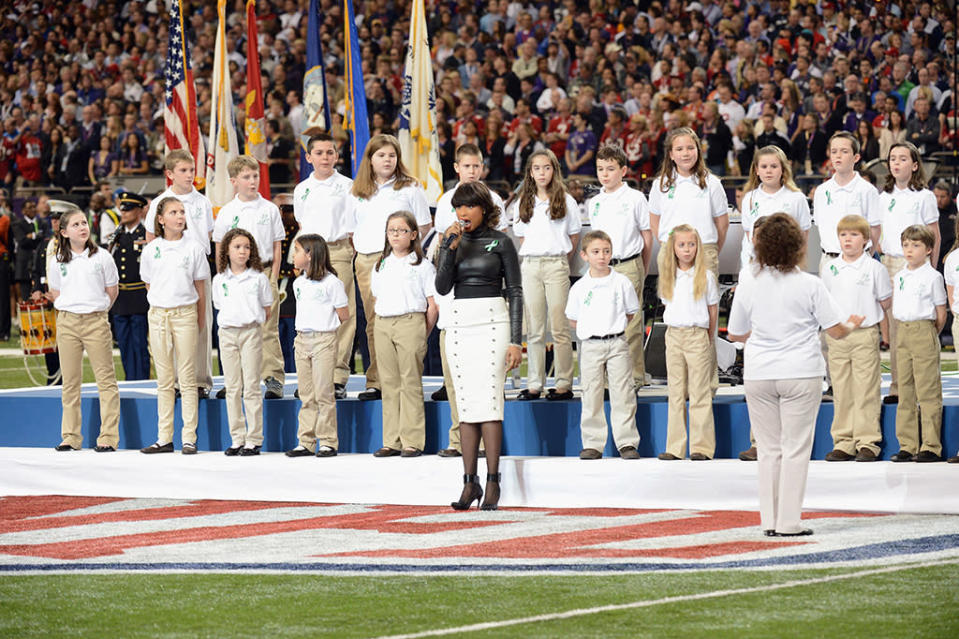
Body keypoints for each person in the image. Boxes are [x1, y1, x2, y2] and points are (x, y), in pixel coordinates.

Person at [728, 213, 864, 537]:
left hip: (760, 372)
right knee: (795, 449)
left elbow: (735, 333)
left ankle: (769, 522)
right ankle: (788, 522)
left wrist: (765, 334)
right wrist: (853, 324)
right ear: (797, 246)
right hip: (801, 372)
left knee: (768, 449)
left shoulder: (749, 281)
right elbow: (836, 331)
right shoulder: (810, 284)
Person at [436, 182, 522, 511]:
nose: (462, 213)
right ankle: (468, 483)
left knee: (489, 402)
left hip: (493, 323)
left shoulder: (500, 241)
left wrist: (516, 339)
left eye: (468, 206)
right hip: (460, 323)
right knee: (467, 405)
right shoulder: (453, 241)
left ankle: (493, 481)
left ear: (483, 209)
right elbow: (442, 287)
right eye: (458, 207)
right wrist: (448, 248)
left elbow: (515, 291)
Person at [432, 143, 508, 457]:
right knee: (457, 379)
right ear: (457, 168)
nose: (473, 171)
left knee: (486, 381)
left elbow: (500, 252)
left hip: (486, 303)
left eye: (477, 166)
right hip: (454, 303)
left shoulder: (495, 201)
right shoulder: (444, 201)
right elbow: (441, 251)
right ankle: (456, 441)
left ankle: (486, 446)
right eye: (467, 166)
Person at [346, 134, 432, 401]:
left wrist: (403, 251)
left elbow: (424, 225)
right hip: (368, 260)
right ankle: (377, 381)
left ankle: (407, 378)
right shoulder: (357, 191)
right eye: (381, 155)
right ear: (370, 159)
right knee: (375, 322)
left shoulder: (410, 188)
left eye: (392, 155)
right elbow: (351, 230)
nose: (387, 160)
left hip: (402, 260)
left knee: (406, 321)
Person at [139, 196, 211, 455]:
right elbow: (149, 283)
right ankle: (164, 437)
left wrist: (200, 320)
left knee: (188, 378)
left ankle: (189, 437)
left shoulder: (193, 248)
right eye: (173, 212)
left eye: (182, 212)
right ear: (161, 219)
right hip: (158, 315)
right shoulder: (151, 249)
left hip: (185, 314)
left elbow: (199, 288)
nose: (180, 216)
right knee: (164, 378)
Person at [212, 155, 286, 400]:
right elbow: (220, 246)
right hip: (235, 276)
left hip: (263, 272)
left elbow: (277, 245)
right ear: (234, 181)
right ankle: (238, 380)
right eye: (246, 177)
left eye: (255, 176)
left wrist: (273, 276)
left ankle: (273, 377)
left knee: (267, 327)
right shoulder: (227, 212)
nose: (252, 181)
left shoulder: (269, 209)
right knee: (237, 328)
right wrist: (224, 275)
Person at [509, 149, 581, 401]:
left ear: (554, 170)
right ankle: (534, 384)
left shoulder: (566, 200)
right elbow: (521, 236)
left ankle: (563, 383)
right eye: (537, 168)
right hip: (531, 265)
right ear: (530, 172)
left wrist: (560, 260)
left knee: (560, 327)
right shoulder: (523, 202)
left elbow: (573, 237)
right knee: (536, 328)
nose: (542, 172)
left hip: (556, 264)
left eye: (547, 168)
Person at [47, 209, 120, 453]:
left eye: (84, 223)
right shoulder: (57, 260)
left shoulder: (102, 257)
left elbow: (112, 290)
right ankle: (70, 436)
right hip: (67, 322)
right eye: (76, 224)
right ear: (64, 232)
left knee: (106, 380)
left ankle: (108, 436)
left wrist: (96, 311)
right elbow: (56, 293)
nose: (82, 227)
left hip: (95, 321)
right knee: (70, 382)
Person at [144, 150, 215, 399]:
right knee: (170, 331)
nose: (189, 175)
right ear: (170, 174)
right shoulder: (160, 203)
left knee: (201, 325)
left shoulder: (202, 201)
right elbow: (151, 239)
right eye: (183, 171)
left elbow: (207, 236)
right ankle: (172, 382)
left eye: (192, 170)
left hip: (197, 269)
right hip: (169, 273)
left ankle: (199, 381)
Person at [821, 215, 892, 462]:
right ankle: (843, 441)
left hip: (864, 333)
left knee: (866, 389)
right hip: (839, 336)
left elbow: (885, 302)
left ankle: (868, 442)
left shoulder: (874, 268)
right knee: (841, 389)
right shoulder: (830, 269)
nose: (847, 239)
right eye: (843, 235)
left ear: (865, 239)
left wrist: (885, 333)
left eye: (853, 235)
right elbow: (825, 304)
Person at [565, 230, 641, 460]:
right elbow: (573, 318)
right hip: (590, 345)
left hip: (616, 342)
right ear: (585, 255)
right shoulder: (580, 287)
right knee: (591, 394)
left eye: (606, 251)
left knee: (623, 393)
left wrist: (613, 328)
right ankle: (593, 443)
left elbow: (630, 313)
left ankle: (626, 442)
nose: (602, 256)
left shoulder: (622, 282)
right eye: (596, 252)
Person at [877, 142, 940, 407]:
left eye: (903, 158)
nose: (897, 163)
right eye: (893, 158)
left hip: (917, 263)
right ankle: (898, 387)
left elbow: (934, 233)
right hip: (891, 261)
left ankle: (922, 385)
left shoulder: (924, 196)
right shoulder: (883, 197)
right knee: (895, 326)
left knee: (919, 325)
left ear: (914, 165)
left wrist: (930, 269)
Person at [293, 133, 355, 398]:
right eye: (319, 153)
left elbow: (354, 222)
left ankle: (337, 376)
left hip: (338, 248)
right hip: (309, 252)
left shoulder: (349, 186)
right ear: (309, 158)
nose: (325, 158)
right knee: (311, 311)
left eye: (330, 152)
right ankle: (311, 376)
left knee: (341, 313)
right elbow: (300, 222)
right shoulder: (301, 189)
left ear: (336, 156)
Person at [370, 211, 438, 457]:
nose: (396, 235)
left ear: (413, 234)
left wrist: (422, 331)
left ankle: (412, 440)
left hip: (411, 322)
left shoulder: (421, 265)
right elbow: (377, 296)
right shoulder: (381, 263)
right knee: (388, 382)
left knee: (409, 381)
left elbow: (433, 305)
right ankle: (391, 439)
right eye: (391, 230)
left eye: (401, 230)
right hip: (384, 322)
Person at [585, 143, 652, 389]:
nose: (604, 174)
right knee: (604, 321)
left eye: (610, 169)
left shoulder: (635, 198)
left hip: (628, 263)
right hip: (602, 268)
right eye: (600, 169)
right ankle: (605, 377)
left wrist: (642, 268)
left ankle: (635, 376)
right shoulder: (595, 202)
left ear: (623, 171)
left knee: (632, 323)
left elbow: (646, 236)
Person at [656, 224, 719, 460]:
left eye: (691, 244)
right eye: (681, 245)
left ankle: (701, 447)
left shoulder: (706, 276)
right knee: (675, 392)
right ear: (673, 248)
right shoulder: (668, 276)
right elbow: (667, 305)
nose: (687, 249)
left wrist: (708, 337)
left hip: (697, 336)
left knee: (699, 392)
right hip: (673, 335)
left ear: (698, 247)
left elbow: (712, 310)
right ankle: (675, 447)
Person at [285, 234, 349, 458]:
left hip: (323, 340)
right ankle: (306, 440)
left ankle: (329, 441)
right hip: (302, 340)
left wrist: (325, 329)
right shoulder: (298, 283)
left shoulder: (332, 283)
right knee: (306, 394)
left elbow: (344, 314)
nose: (293, 256)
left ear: (309, 255)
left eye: (297, 251)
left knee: (324, 393)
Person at [212, 228, 272, 456]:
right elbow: (219, 305)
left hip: (250, 332)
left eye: (247, 247)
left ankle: (254, 438)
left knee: (251, 386)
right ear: (227, 250)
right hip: (227, 333)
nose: (242, 251)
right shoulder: (220, 280)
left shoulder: (258, 278)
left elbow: (266, 308)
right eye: (237, 247)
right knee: (232, 387)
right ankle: (236, 437)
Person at [889, 225, 947, 463]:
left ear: (928, 249)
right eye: (906, 245)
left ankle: (931, 445)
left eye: (916, 245)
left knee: (928, 390)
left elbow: (940, 312)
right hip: (902, 330)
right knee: (906, 390)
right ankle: (907, 444)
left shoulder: (933, 276)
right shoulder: (900, 275)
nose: (909, 250)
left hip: (923, 329)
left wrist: (930, 333)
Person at [648, 127, 729, 279]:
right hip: (670, 251)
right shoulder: (660, 184)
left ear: (698, 151)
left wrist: (710, 250)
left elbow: (722, 224)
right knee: (672, 301)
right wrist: (669, 245)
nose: (685, 153)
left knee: (706, 300)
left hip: (704, 249)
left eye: (690, 148)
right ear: (671, 154)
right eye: (679, 149)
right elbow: (654, 221)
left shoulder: (712, 183)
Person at [739, 145, 812, 274]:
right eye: (764, 166)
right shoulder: (749, 199)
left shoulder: (797, 198)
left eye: (774, 166)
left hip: (787, 266)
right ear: (756, 170)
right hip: (756, 267)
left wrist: (796, 264)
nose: (768, 171)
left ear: (783, 169)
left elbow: (803, 236)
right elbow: (748, 236)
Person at [109, 192, 150, 381]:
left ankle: (141, 381)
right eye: (122, 209)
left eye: (129, 209)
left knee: (139, 345)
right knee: (124, 345)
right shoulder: (116, 237)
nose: (123, 213)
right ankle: (129, 381)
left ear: (139, 211)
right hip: (120, 299)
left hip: (139, 296)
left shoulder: (146, 235)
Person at [13, 199, 44, 301]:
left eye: (34, 207)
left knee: (41, 297)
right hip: (25, 266)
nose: (33, 209)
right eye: (30, 207)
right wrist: (36, 236)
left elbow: (44, 240)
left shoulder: (42, 223)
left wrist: (31, 236)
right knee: (26, 297)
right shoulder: (18, 224)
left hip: (39, 264)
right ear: (23, 211)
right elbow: (22, 241)